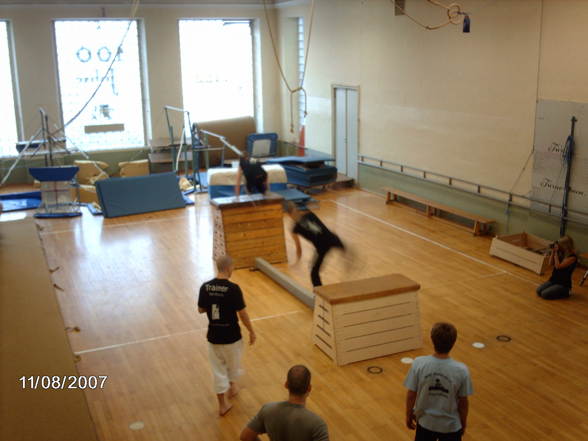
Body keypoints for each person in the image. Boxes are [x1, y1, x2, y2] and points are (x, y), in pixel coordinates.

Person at [197, 255, 256, 416]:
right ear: (229, 268)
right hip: (232, 337)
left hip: (214, 336)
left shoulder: (205, 287)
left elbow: (201, 309)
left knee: (218, 370)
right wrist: (251, 330)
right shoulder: (233, 289)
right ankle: (232, 384)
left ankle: (223, 404)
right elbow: (242, 313)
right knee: (233, 363)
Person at [404, 322, 473, 441]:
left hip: (425, 423)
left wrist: (408, 414)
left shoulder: (419, 363)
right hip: (451, 427)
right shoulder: (461, 370)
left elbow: (411, 395)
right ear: (454, 342)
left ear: (432, 339)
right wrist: (463, 422)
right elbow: (463, 402)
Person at [239, 365, 329, 441]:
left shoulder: (268, 410)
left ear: (286, 384)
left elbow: (245, 436)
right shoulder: (317, 424)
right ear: (309, 388)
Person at [286, 202, 346, 287]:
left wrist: (297, 261)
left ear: (289, 215)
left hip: (322, 247)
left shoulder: (294, 228)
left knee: (314, 272)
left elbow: (299, 248)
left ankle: (319, 292)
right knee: (314, 271)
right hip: (332, 239)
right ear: (296, 210)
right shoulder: (309, 213)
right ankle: (346, 252)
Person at [536, 235, 577, 300]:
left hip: (563, 284)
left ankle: (567, 292)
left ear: (565, 246)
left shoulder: (572, 257)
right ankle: (555, 288)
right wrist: (553, 251)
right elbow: (550, 263)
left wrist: (556, 253)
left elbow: (558, 266)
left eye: (560, 244)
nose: (559, 246)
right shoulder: (560, 252)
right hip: (554, 280)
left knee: (544, 294)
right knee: (538, 291)